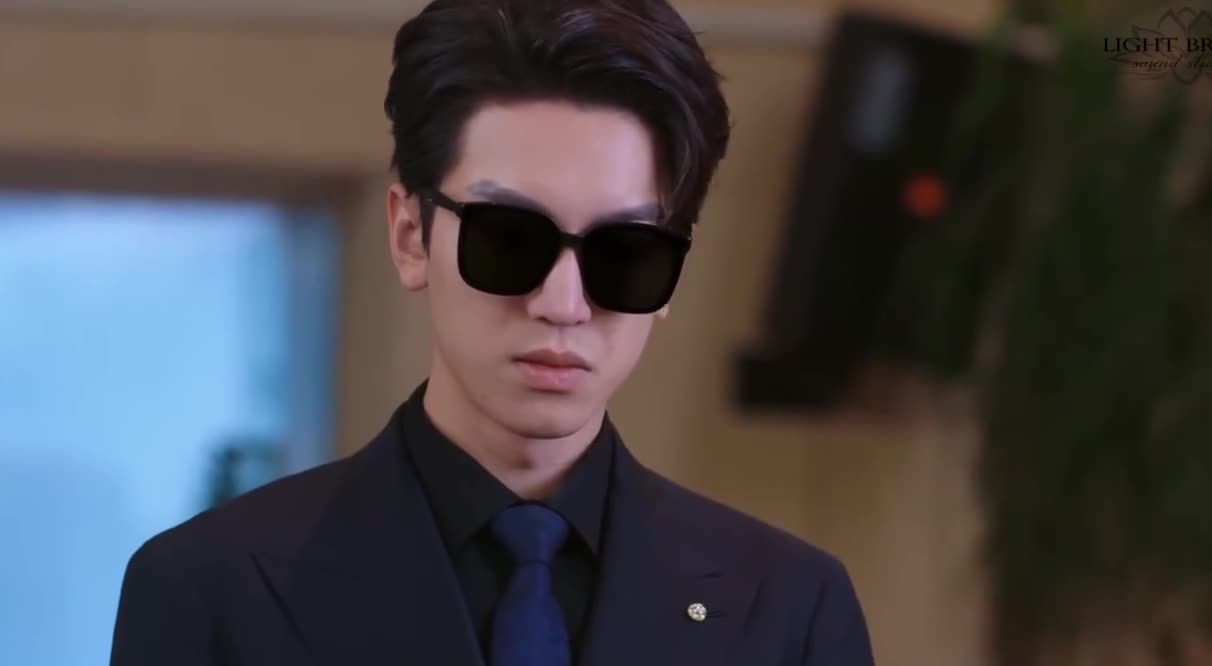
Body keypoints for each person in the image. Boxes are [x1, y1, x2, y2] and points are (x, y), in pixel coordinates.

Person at [109, 1, 875, 664]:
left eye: (624, 253)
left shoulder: (789, 606)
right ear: (410, 235)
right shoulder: (212, 588)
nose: (563, 303)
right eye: (509, 239)